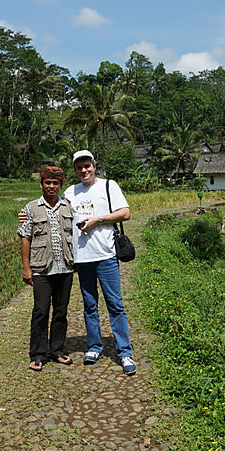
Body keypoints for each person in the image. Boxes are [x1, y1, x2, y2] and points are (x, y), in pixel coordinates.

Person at [63, 150, 136, 376]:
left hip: (106, 255)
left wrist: (98, 220)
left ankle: (124, 352)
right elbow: (57, 213)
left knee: (115, 305)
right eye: (79, 167)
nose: (84, 170)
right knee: (89, 305)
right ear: (75, 170)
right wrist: (27, 214)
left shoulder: (108, 186)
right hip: (82, 258)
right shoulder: (70, 192)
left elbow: (125, 213)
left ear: (94, 166)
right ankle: (94, 346)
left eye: (87, 166)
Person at [17, 166, 75, 372]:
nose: (51, 186)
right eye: (47, 183)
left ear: (61, 185)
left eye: (55, 183)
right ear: (41, 184)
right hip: (42, 269)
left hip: (65, 267)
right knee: (41, 311)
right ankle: (38, 354)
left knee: (61, 311)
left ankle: (57, 350)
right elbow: (26, 238)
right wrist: (26, 268)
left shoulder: (68, 206)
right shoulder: (31, 208)